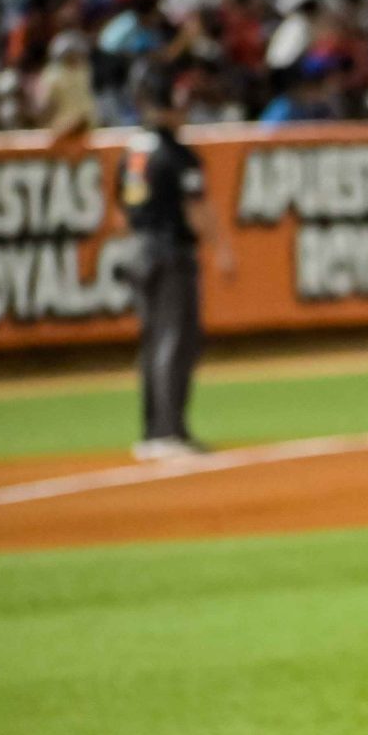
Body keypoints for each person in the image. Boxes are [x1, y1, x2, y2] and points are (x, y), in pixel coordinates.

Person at [120, 72, 236, 459]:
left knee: (153, 341)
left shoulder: (133, 151)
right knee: (176, 339)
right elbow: (196, 207)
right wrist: (221, 248)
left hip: (138, 248)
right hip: (171, 252)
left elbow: (120, 206)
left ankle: (154, 430)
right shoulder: (176, 152)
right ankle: (169, 433)